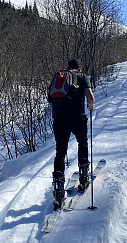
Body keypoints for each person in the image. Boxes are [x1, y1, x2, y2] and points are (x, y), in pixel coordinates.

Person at [50, 59, 95, 210]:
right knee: (82, 142)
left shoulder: (59, 77)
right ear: (79, 68)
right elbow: (90, 97)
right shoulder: (82, 77)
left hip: (59, 120)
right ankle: (83, 176)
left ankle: (58, 189)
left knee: (60, 152)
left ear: (69, 67)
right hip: (77, 117)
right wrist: (91, 106)